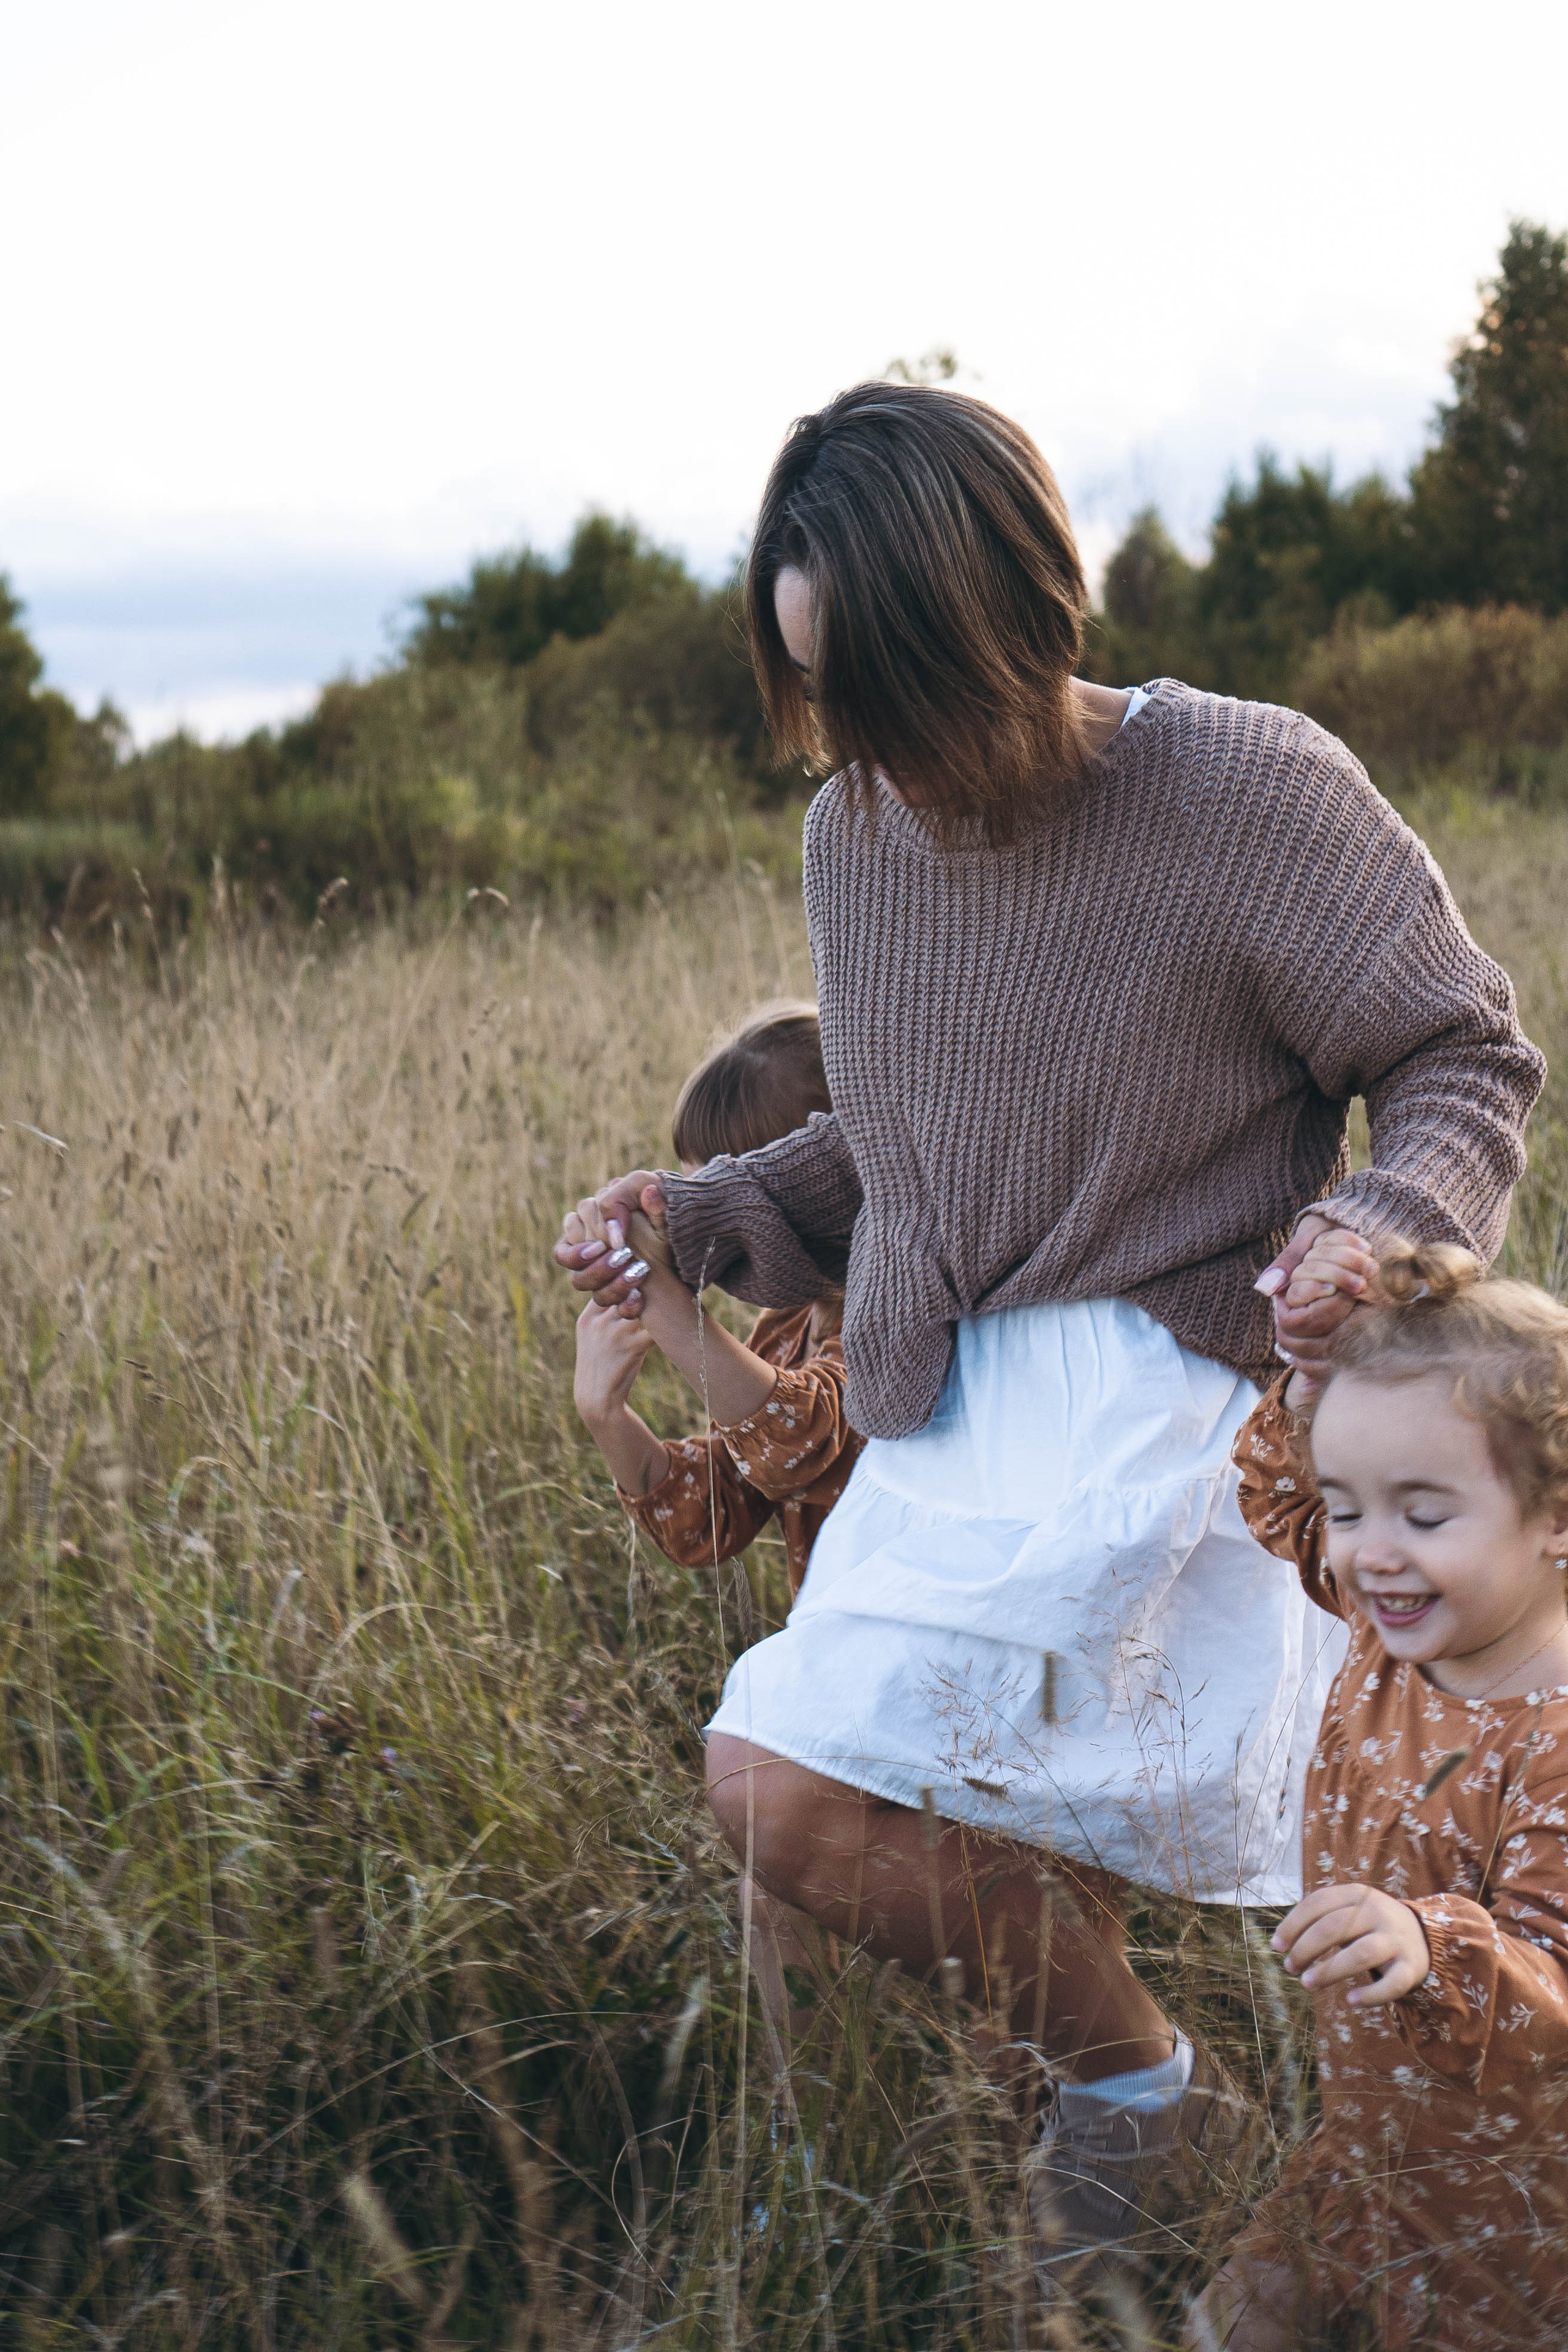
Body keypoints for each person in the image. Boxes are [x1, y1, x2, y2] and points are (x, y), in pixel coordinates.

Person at [557, 379, 1545, 2263]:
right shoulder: (854, 844)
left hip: (1196, 1407)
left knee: (1366, 1869)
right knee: (775, 1779)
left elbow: (1459, 1053)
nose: (868, 754)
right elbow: (918, 1130)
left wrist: (1372, 1227)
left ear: (1016, 613)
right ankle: (1141, 2087)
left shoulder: (1248, 791)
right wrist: (699, 1213)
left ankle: (1364, 2205)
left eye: (892, 697)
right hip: (956, 1418)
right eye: (827, 701)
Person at [1192, 1231, 1568, 2350]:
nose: (1372, 1553)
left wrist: (1429, 1941)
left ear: (1557, 1521)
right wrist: (1309, 1383)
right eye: (1351, 1508)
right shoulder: (1387, 1624)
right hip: (1362, 2147)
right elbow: (1278, 1499)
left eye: (1424, 1511)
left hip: (1511, 2210)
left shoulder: (1553, 1737)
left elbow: (1556, 1976)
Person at [570, 1003, 864, 2045]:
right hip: (857, 1681)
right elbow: (717, 1513)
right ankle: (812, 2152)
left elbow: (805, 1438)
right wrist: (610, 1420)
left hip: (966, 1681)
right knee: (773, 1897)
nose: (709, 1234)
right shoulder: (786, 1320)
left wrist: (662, 1300)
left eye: (724, 1198)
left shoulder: (909, 1301)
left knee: (1003, 1969)